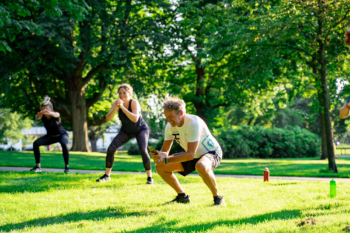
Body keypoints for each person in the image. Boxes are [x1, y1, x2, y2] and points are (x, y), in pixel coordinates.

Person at [150, 97, 225, 206]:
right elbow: (165, 151)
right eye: (166, 117)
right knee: (160, 166)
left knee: (201, 166)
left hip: (211, 152)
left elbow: (190, 155)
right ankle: (182, 196)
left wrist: (165, 159)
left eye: (171, 116)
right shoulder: (169, 126)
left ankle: (218, 198)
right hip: (193, 155)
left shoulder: (194, 123)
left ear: (181, 113)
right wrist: (160, 155)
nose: (168, 120)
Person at [96, 84, 153, 184]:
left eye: (124, 93)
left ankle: (149, 177)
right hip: (126, 131)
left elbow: (135, 119)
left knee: (143, 150)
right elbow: (108, 118)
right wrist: (115, 108)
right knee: (111, 148)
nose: (122, 95)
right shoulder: (116, 104)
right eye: (120, 93)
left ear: (130, 94)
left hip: (140, 130)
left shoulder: (134, 103)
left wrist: (122, 107)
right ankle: (107, 175)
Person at [30, 96, 70, 173]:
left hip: (62, 135)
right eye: (43, 110)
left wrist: (49, 113)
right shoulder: (42, 116)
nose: (44, 111)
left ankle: (67, 167)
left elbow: (57, 114)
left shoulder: (55, 114)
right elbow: (37, 117)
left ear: (51, 109)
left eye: (46, 110)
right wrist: (38, 115)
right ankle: (38, 166)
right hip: (50, 136)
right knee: (36, 143)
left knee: (64, 143)